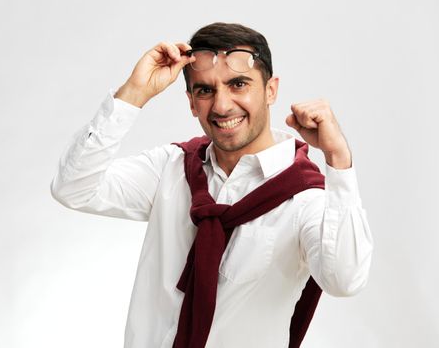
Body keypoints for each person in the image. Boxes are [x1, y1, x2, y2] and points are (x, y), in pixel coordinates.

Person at [50, 22, 373, 348]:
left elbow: (345, 280)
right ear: (192, 102)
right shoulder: (172, 168)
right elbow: (72, 187)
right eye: (205, 90)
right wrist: (134, 92)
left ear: (271, 90)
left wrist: (338, 158)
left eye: (238, 84)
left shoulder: (305, 198)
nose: (221, 106)